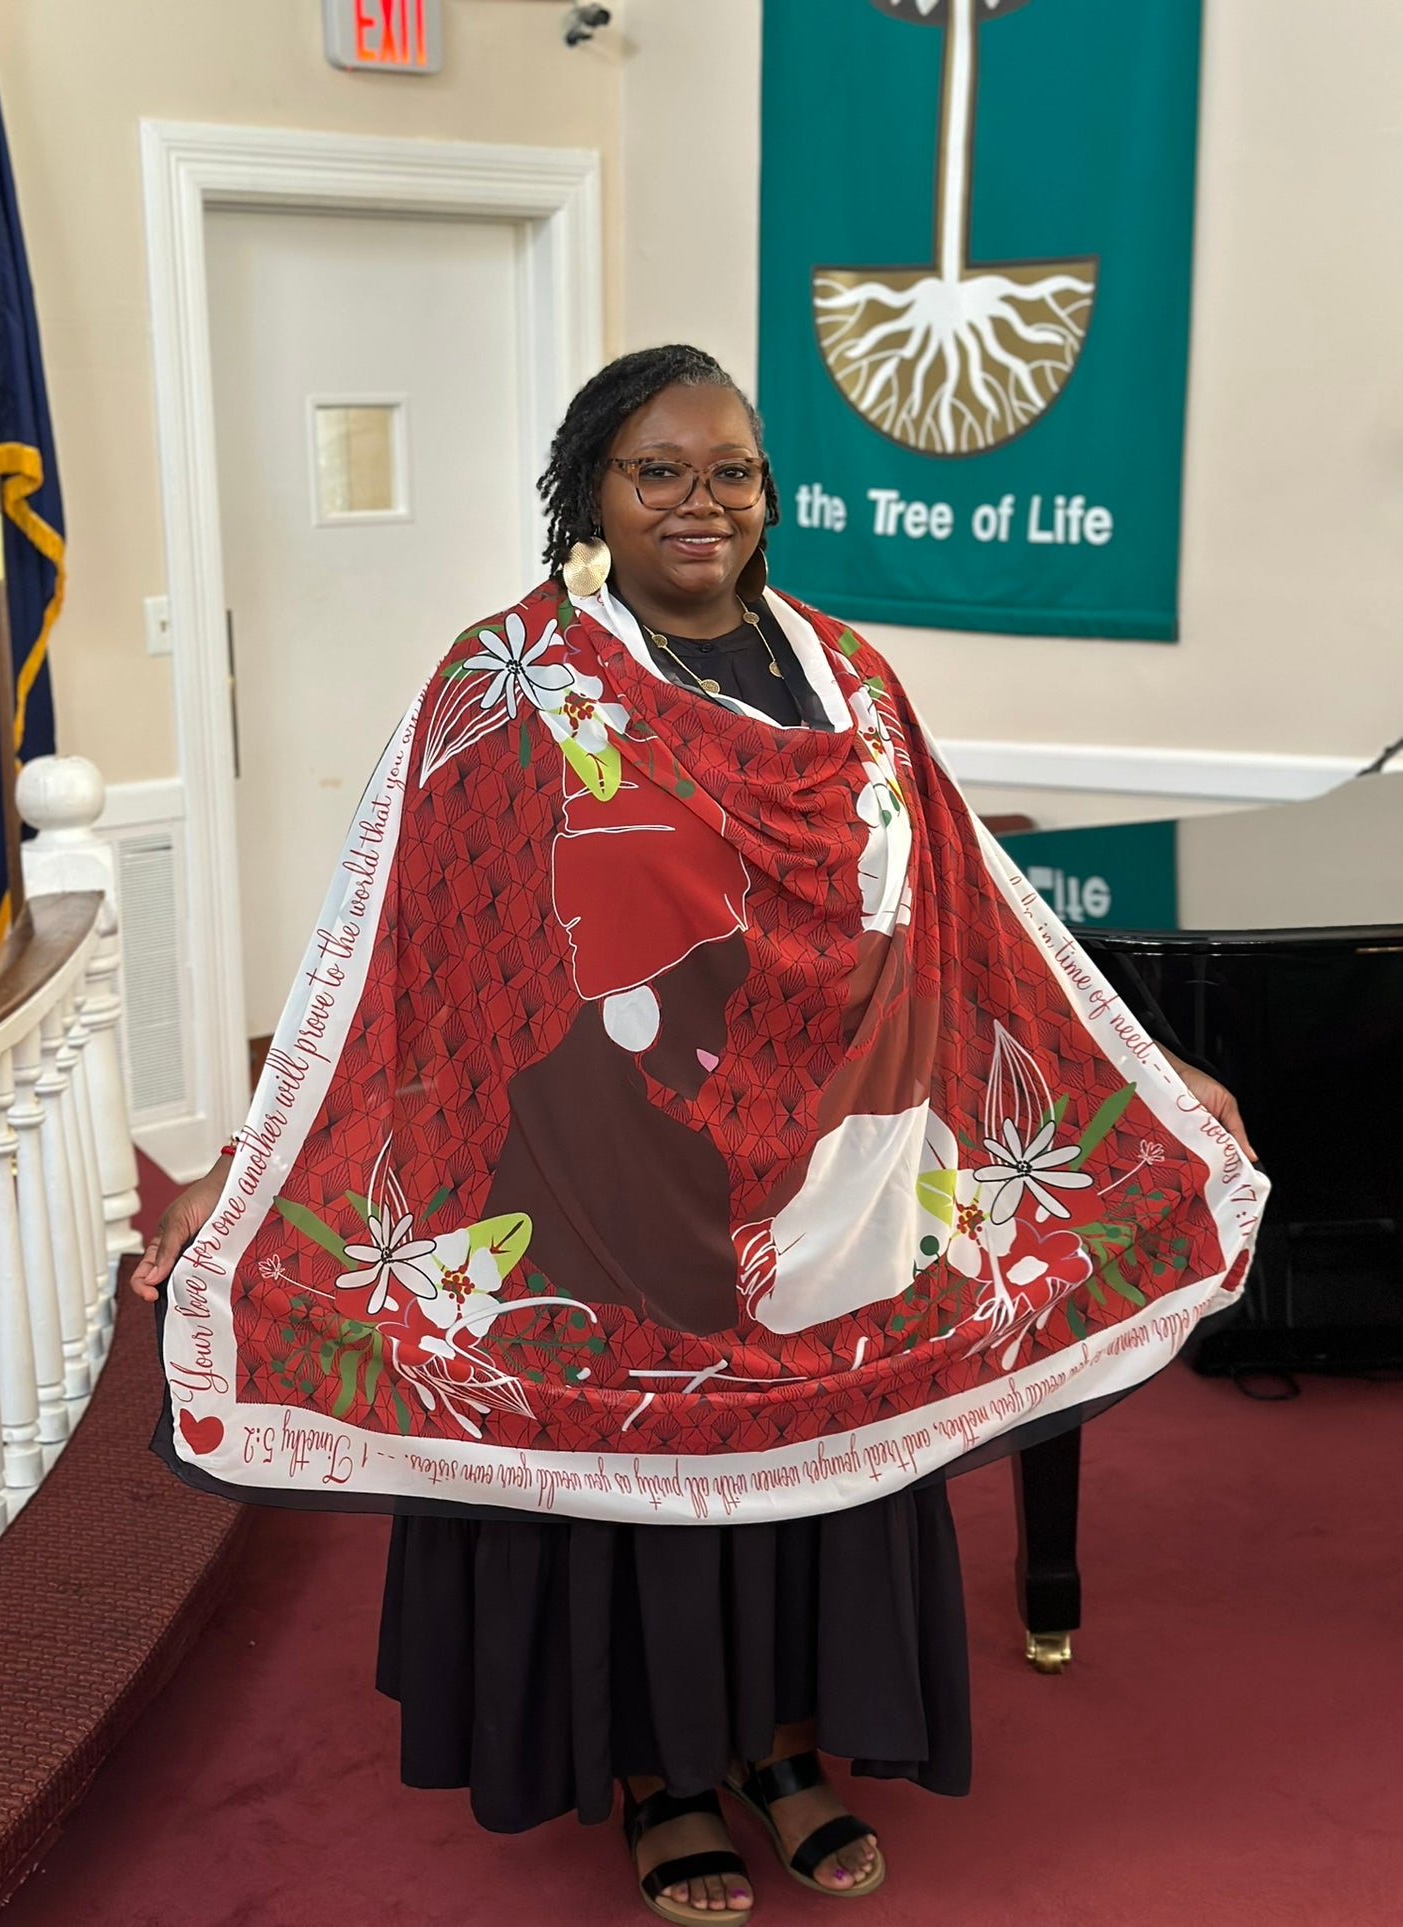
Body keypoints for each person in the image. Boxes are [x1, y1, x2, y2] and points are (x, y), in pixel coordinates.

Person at [133, 345, 1254, 1925]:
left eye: (730, 470)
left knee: (825, 1458)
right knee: (645, 1459)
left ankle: (788, 1751)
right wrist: (248, 1165)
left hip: (840, 1175)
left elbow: (968, 904)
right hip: (610, 1170)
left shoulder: (848, 675)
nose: (698, 502)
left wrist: (1147, 1070)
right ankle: (662, 1779)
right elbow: (395, 946)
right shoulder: (511, 678)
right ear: (588, 491)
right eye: (656, 470)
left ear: (767, 493)